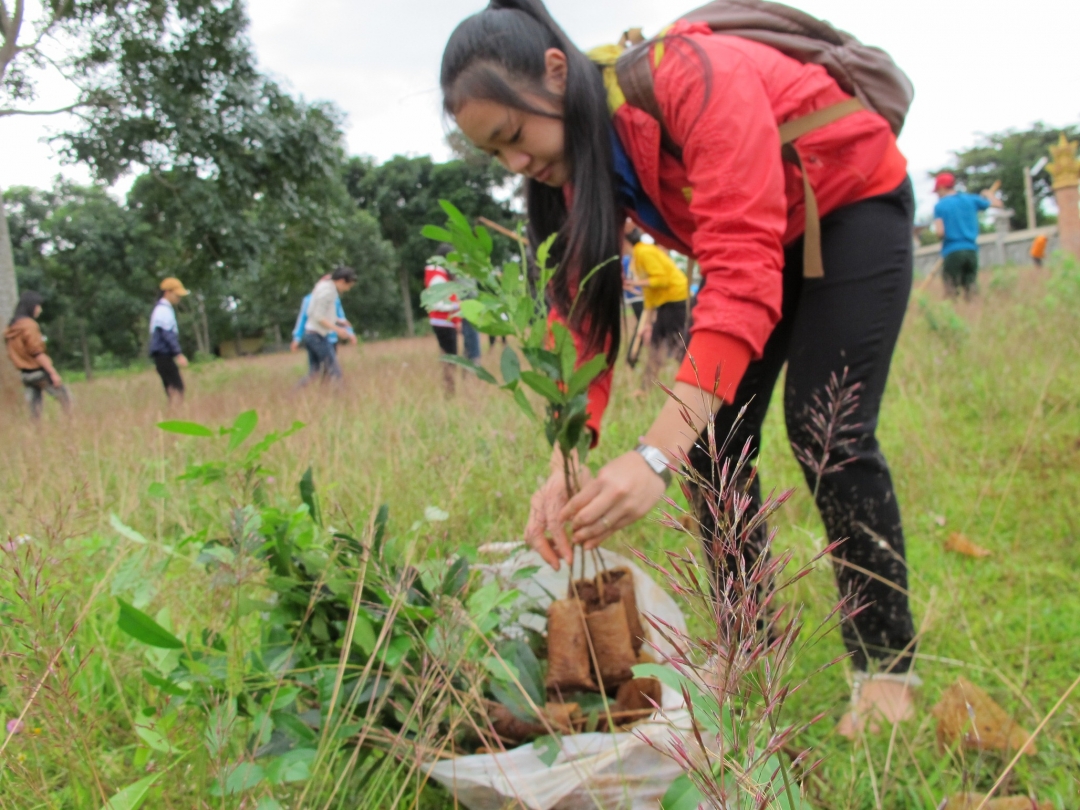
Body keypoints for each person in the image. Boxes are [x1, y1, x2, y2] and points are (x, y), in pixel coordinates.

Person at [442, 0, 919, 732]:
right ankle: (747, 642)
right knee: (714, 446)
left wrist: (653, 456)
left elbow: (741, 276)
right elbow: (581, 313)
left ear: (556, 72)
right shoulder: (578, 168)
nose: (515, 164)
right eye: (494, 154)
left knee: (832, 436)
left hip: (849, 204)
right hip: (764, 244)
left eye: (513, 135)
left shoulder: (692, 75)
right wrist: (569, 455)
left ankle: (885, 667)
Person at [622, 228, 688, 393]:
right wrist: (648, 321)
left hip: (676, 299)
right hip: (665, 303)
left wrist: (635, 284)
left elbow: (661, 279)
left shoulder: (644, 251)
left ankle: (693, 383)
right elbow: (650, 292)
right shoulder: (636, 257)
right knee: (655, 345)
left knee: (678, 344)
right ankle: (645, 389)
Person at [932, 172, 1002, 299]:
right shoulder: (971, 199)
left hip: (952, 251)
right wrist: (989, 195)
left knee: (951, 290)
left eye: (937, 191)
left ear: (942, 187)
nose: (937, 194)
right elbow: (998, 204)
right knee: (971, 288)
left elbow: (940, 232)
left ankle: (954, 315)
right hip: (971, 251)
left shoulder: (940, 206)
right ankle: (973, 314)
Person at [5, 291, 71, 419]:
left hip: (25, 374)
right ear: (31, 306)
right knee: (65, 398)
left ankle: (36, 432)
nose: (40, 310)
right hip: (38, 371)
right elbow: (37, 352)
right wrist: (52, 373)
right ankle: (71, 425)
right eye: (38, 306)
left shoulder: (11, 328)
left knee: (35, 407)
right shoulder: (29, 325)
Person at [291, 276, 355, 380]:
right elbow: (304, 318)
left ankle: (322, 394)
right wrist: (296, 338)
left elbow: (338, 315)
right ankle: (335, 394)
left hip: (330, 337)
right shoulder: (312, 299)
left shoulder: (334, 297)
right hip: (318, 336)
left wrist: (349, 331)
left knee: (320, 371)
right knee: (333, 370)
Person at [424, 246, 463, 395]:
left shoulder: (440, 275)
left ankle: (450, 389)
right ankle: (449, 390)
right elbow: (436, 303)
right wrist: (457, 306)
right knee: (450, 358)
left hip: (445, 322)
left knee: (449, 357)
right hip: (443, 323)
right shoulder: (438, 277)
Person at [149, 278, 190, 405]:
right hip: (164, 355)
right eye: (176, 294)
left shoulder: (162, 309)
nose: (179, 297)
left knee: (171, 389)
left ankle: (173, 414)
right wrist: (179, 354)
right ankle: (176, 416)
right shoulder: (163, 310)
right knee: (177, 388)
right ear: (167, 292)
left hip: (162, 356)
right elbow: (167, 335)